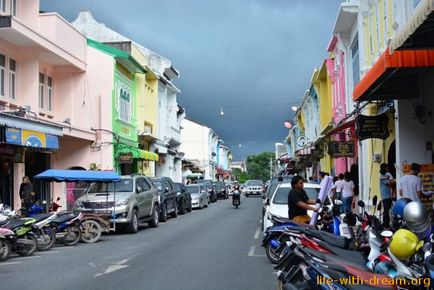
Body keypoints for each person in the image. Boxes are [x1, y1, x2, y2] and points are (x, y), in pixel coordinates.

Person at [379, 163, 394, 228]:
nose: (388, 168)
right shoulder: (385, 175)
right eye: (387, 167)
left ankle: (386, 224)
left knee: (386, 210)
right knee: (387, 210)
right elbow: (391, 183)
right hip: (386, 195)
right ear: (385, 168)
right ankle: (386, 224)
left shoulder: (382, 175)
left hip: (385, 195)